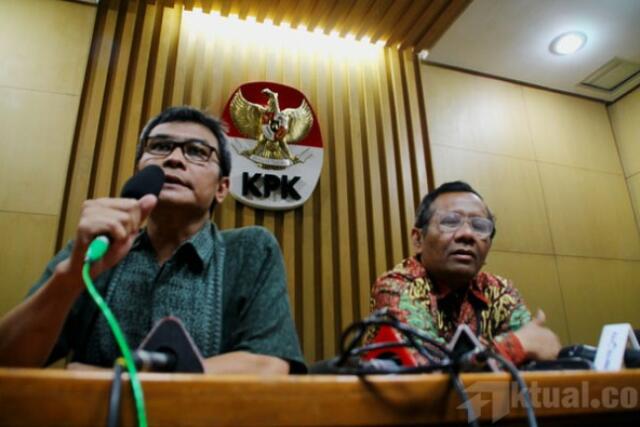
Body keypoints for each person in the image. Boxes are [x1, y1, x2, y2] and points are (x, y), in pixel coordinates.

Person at [0, 106, 305, 374]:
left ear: (222, 188)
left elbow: (269, 364)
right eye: (160, 147)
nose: (174, 159)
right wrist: (70, 278)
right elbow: (8, 361)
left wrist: (118, 376)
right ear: (139, 171)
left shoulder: (251, 250)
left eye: (197, 151)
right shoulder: (98, 247)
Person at [369, 181, 561, 366]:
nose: (467, 234)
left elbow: (534, 355)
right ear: (418, 239)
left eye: (480, 226)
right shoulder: (396, 286)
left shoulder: (500, 291)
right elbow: (426, 367)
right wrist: (513, 346)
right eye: (450, 222)